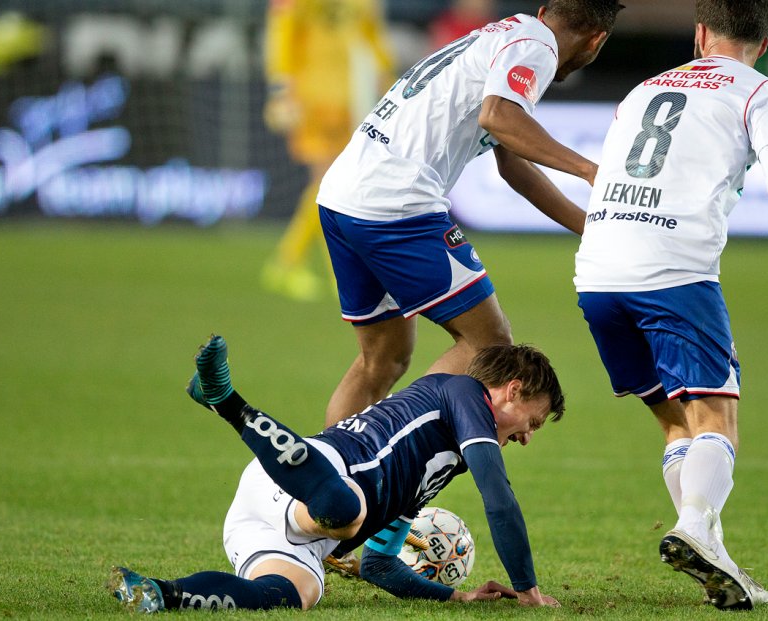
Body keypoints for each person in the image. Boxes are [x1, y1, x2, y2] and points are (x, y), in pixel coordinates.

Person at [573, 0, 768, 610]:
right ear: (762, 45)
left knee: (677, 423)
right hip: (673, 269)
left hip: (596, 269)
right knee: (717, 420)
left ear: (700, 33)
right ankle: (696, 528)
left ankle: (717, 560)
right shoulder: (758, 91)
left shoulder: (643, 88)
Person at [316, 0, 625, 427]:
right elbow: (499, 117)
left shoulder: (502, 35)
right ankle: (394, 451)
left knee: (382, 359)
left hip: (342, 195)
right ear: (597, 40)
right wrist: (589, 170)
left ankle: (330, 481)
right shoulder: (537, 47)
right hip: (396, 202)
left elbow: (514, 163)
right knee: (490, 345)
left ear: (544, 9)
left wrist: (590, 230)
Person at [108, 335, 566, 612]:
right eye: (534, 422)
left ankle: (161, 594)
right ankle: (227, 401)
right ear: (513, 390)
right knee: (348, 511)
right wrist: (529, 591)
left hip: (281, 525)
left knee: (294, 594)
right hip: (297, 476)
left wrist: (456, 598)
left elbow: (379, 563)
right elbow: (498, 498)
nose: (527, 437)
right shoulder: (463, 391)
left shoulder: (437, 465)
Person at [260, 0, 395, 302]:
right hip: (310, 98)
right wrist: (281, 91)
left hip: (349, 100)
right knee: (329, 183)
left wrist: (390, 83)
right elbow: (281, 34)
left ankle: (291, 263)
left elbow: (371, 36)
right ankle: (325, 271)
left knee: (334, 185)